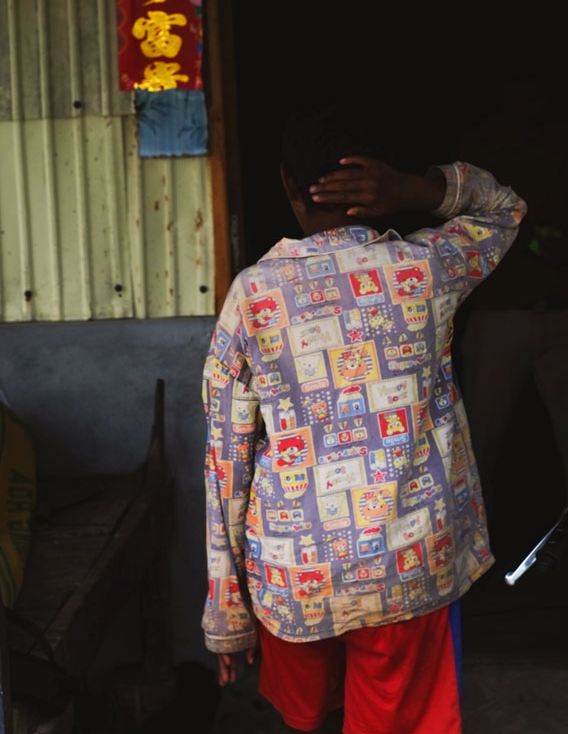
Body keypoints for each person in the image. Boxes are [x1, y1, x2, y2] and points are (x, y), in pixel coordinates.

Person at [201, 107, 526, 734]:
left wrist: (226, 613)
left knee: (306, 721)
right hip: (408, 563)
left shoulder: (255, 295)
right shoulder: (428, 268)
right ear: (376, 180)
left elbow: (225, 459)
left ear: (287, 184)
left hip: (297, 572)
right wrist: (419, 188)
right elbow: (504, 209)